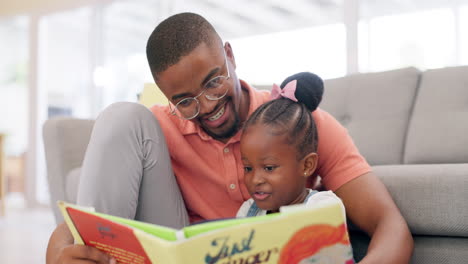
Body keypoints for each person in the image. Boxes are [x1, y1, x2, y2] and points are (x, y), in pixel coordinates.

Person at [46, 12, 413, 264]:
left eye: (213, 81)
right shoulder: (155, 129)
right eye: (185, 101)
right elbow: (71, 229)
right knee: (121, 116)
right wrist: (60, 253)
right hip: (182, 245)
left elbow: (389, 225)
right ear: (166, 95)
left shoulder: (298, 121)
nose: (207, 106)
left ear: (230, 55)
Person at [236, 71, 341, 217]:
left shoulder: (323, 207)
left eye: (269, 168)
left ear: (307, 165)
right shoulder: (247, 212)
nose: (255, 179)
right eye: (248, 168)